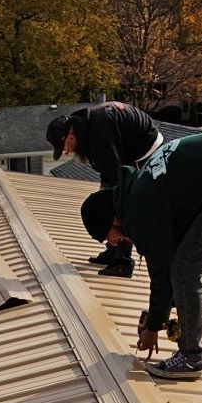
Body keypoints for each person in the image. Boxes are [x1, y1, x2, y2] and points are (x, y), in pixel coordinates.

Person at [80, 130, 202, 380]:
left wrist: (152, 328)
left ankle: (190, 357)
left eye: (109, 236)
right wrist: (161, 314)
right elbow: (172, 254)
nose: (114, 242)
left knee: (186, 270)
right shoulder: (139, 188)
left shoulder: (140, 209)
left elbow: (165, 272)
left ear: (113, 219)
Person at [46, 102, 161, 276]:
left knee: (123, 199)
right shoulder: (83, 125)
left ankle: (123, 261)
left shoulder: (99, 135)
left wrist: (113, 207)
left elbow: (120, 181)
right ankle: (112, 251)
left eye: (64, 148)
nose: (67, 152)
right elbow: (106, 174)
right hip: (126, 144)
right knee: (106, 197)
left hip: (144, 149)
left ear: (70, 138)